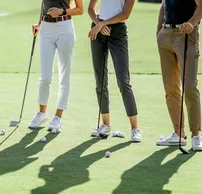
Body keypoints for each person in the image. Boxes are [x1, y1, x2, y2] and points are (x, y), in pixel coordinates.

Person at [87, 0, 143, 142]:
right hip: (98, 31)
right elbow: (91, 9)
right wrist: (98, 22)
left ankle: (135, 128)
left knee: (123, 81)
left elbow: (125, 14)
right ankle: (105, 124)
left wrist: (102, 24)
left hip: (117, 32)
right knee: (100, 80)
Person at [155, 0, 202, 151]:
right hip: (165, 35)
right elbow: (164, 4)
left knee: (190, 86)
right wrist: (159, 30)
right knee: (171, 88)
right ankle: (178, 133)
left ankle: (196, 135)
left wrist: (191, 23)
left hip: (186, 35)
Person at [28, 0, 84, 133]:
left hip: (65, 27)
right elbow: (44, 3)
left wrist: (62, 11)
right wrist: (40, 23)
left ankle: (58, 116)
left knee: (64, 75)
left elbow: (80, 9)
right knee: (45, 76)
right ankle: (42, 113)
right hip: (46, 29)